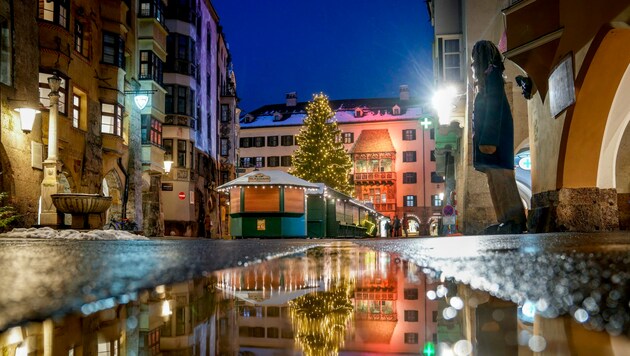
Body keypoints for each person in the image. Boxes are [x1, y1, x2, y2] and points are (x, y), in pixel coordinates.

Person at [471, 40, 527, 234]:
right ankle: (504, 218)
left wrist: (488, 140)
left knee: (503, 181)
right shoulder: (487, 80)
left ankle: (515, 219)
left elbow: (494, 108)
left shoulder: (493, 76)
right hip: (489, 140)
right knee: (495, 182)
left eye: (474, 59)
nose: (473, 64)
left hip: (494, 141)